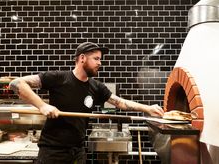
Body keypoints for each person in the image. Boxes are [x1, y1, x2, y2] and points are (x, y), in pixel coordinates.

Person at [9, 42, 164, 164]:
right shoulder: (59, 78)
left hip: (78, 152)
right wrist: (42, 105)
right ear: (82, 58)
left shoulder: (96, 87)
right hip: (53, 152)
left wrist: (148, 108)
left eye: (100, 59)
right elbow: (17, 83)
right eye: (96, 59)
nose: (100, 63)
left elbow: (120, 103)